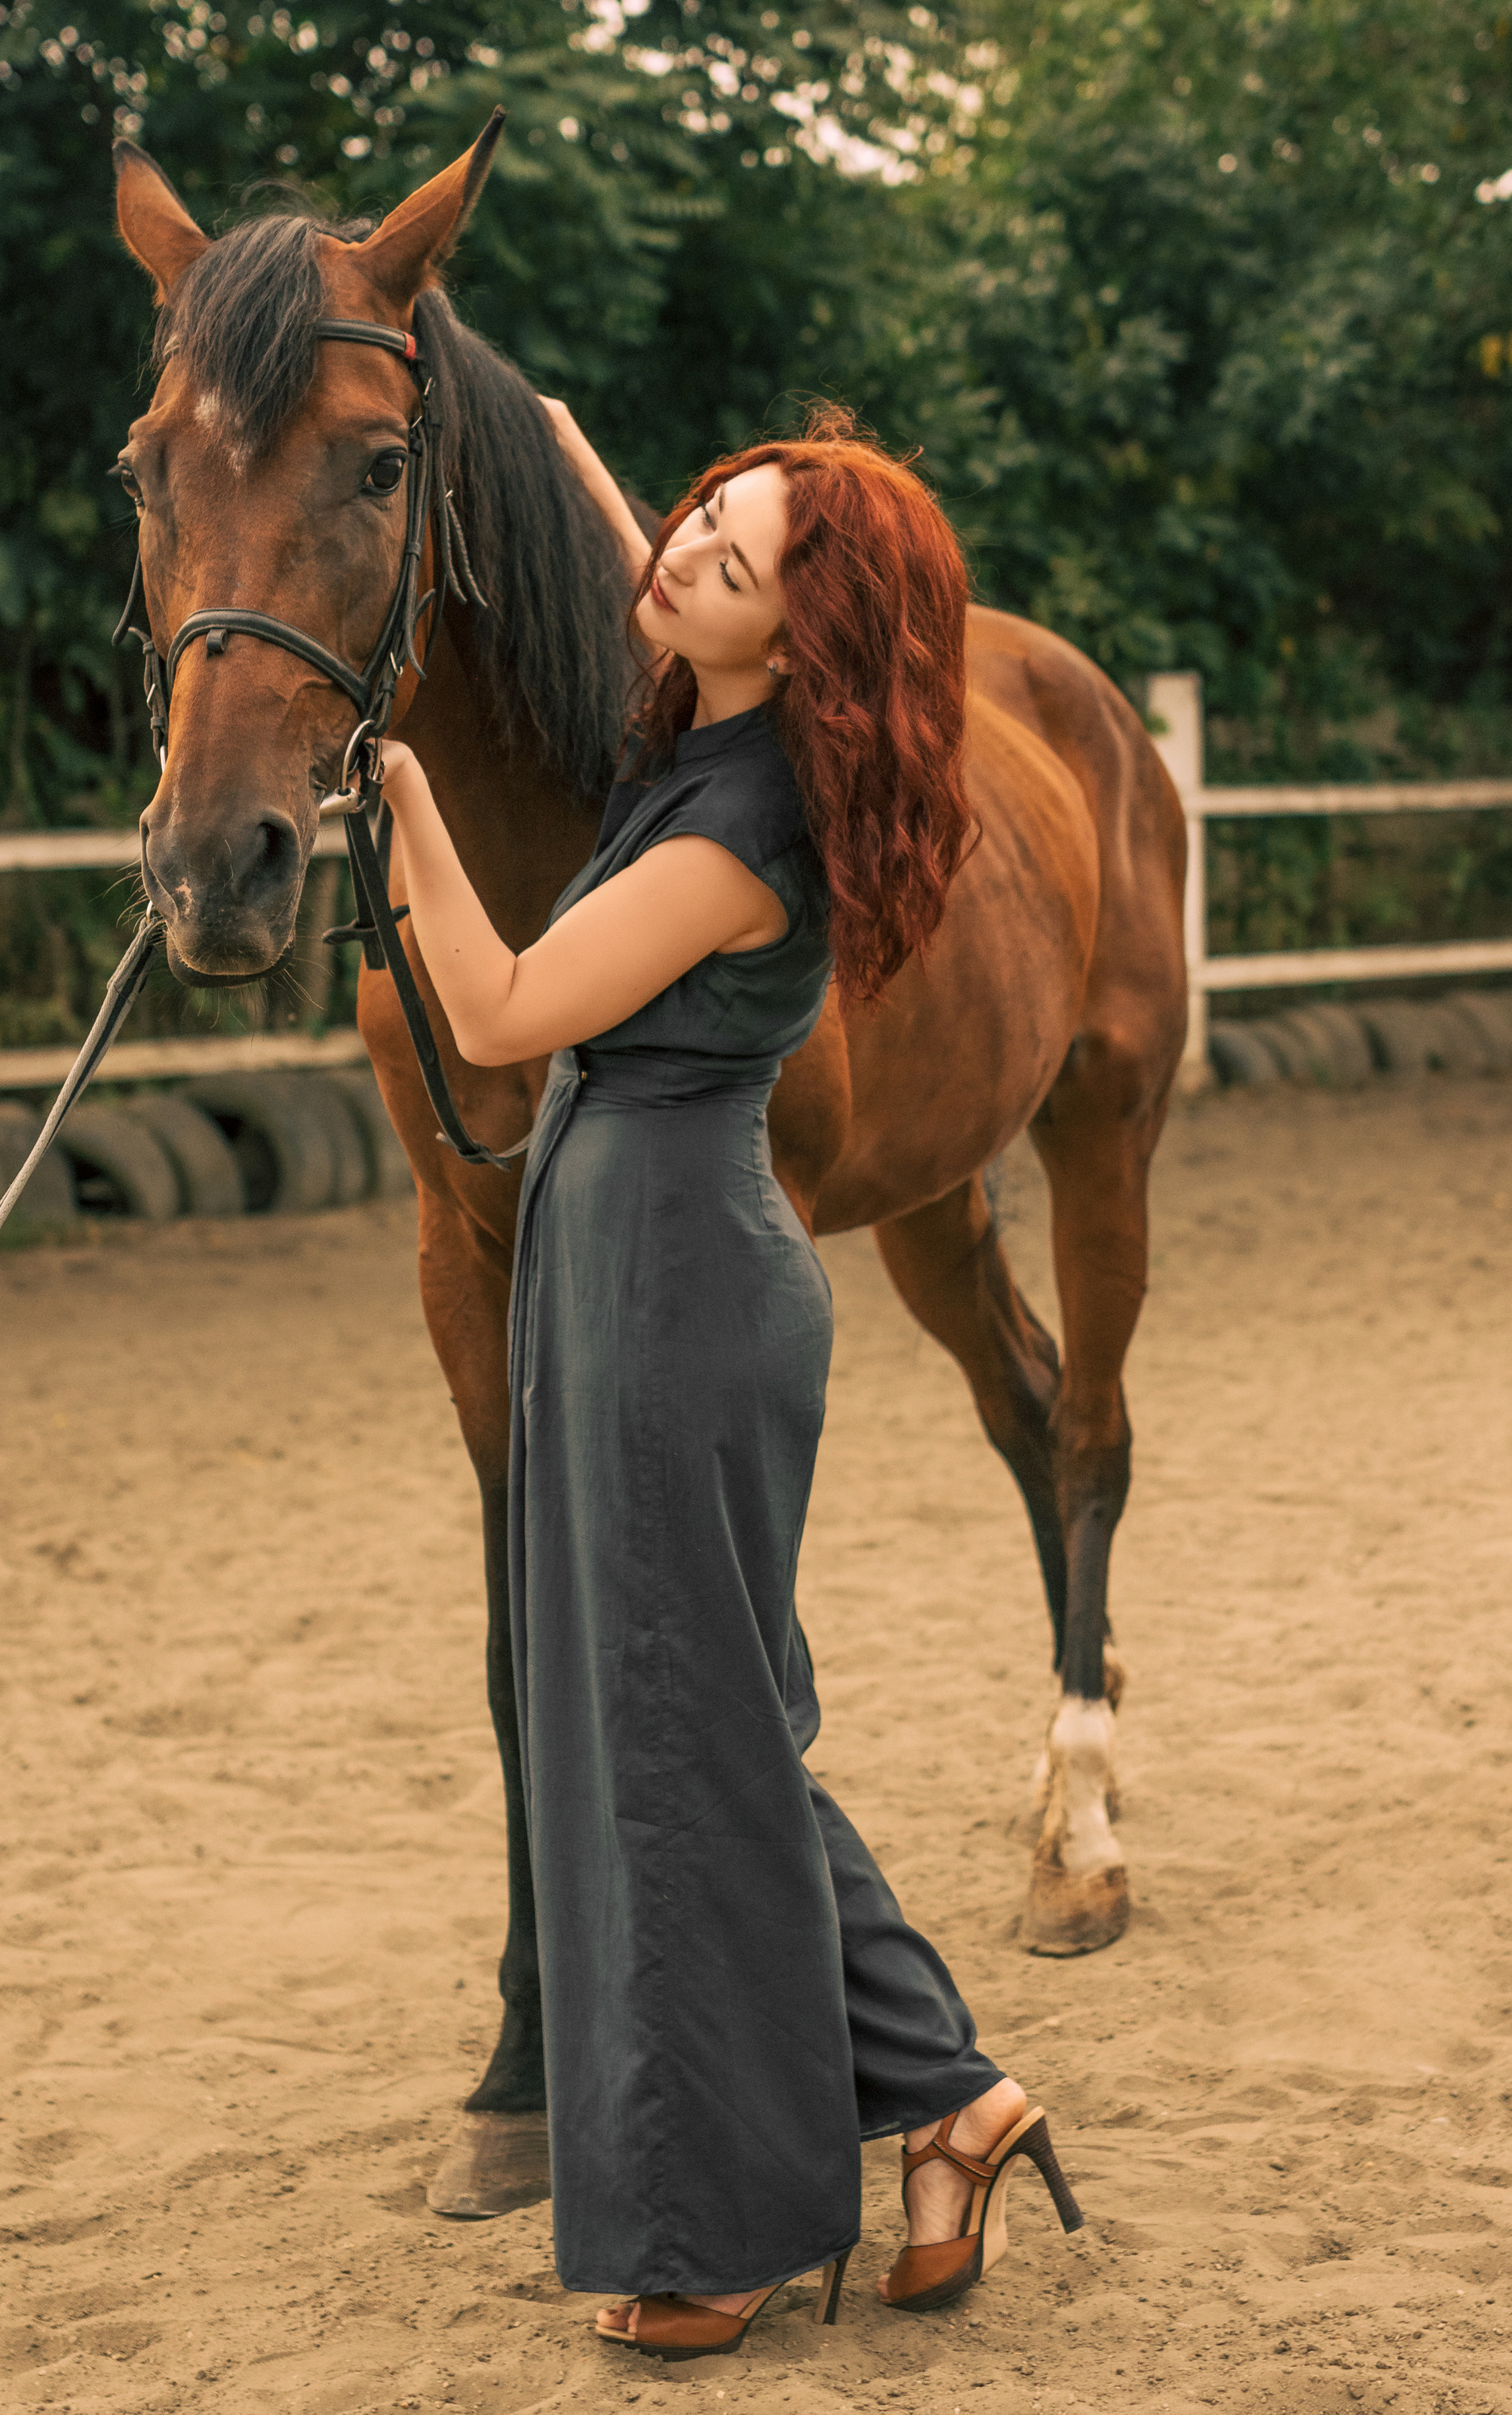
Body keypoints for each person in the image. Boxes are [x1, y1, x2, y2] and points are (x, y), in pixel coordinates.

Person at [373, 404, 1081, 2362]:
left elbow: (505, 1009)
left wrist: (404, 788)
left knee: (691, 1745)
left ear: (799, 636)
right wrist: (575, 467)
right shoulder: (724, 729)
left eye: (734, 556)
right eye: (695, 516)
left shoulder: (740, 830)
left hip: (680, 1286)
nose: (683, 552)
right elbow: (638, 576)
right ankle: (952, 2102)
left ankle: (736, 2217)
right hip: (630, 1270)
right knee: (691, 1730)